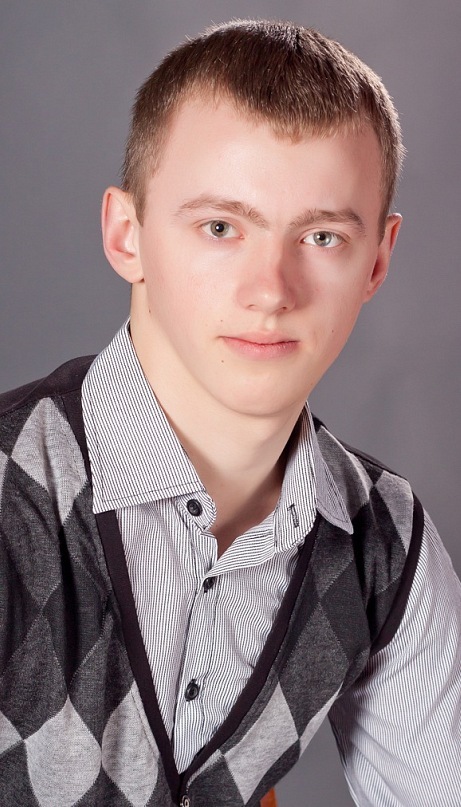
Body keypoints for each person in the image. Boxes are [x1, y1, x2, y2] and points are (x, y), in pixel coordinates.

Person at [0, 19, 460, 807]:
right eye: (220, 227)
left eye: (321, 237)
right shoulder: (12, 496)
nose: (271, 289)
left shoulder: (383, 543)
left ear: (377, 260)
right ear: (127, 234)